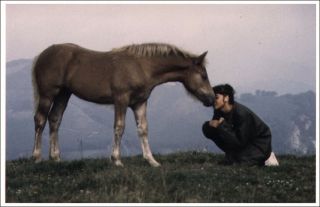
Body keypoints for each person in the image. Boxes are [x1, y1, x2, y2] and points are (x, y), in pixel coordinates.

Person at [202, 84, 279, 166]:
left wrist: (221, 126)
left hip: (259, 144)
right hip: (243, 142)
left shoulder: (241, 114)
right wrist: (209, 125)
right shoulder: (219, 111)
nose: (213, 100)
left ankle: (267, 158)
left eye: (216, 97)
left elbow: (239, 141)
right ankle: (233, 155)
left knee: (238, 163)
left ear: (226, 98)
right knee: (210, 129)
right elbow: (218, 130)